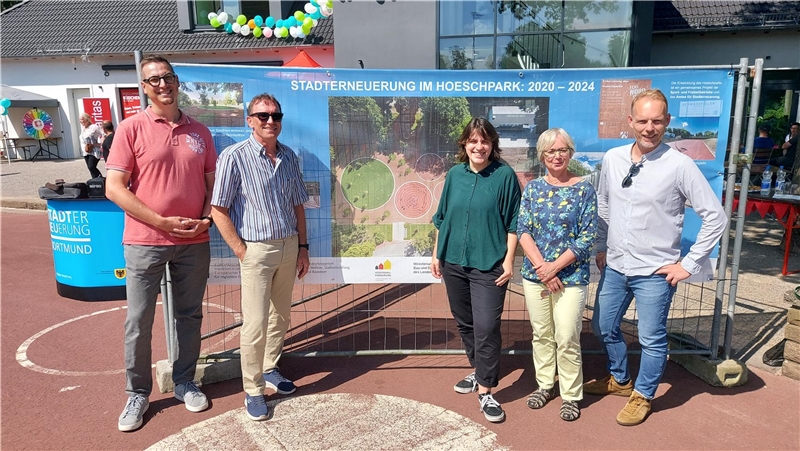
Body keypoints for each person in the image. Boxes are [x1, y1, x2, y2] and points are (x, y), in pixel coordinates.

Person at [586, 89, 726, 426]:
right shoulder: (614, 158)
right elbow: (604, 204)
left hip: (655, 272)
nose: (650, 128)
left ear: (667, 122)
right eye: (643, 120)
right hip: (616, 266)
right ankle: (620, 380)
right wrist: (602, 246)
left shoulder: (680, 165)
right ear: (630, 121)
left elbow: (716, 217)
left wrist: (688, 265)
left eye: (657, 121)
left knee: (651, 338)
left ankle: (644, 394)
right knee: (602, 326)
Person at [105, 55, 217, 432]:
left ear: (177, 80)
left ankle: (185, 381)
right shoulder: (130, 128)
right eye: (153, 80)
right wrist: (160, 221)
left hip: (194, 240)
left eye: (167, 77)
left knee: (189, 316)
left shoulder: (200, 131)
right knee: (138, 320)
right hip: (145, 240)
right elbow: (114, 188)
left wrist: (204, 218)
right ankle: (137, 393)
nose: (162, 84)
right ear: (144, 87)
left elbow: (210, 183)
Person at [210, 93, 309, 422]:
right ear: (249, 120)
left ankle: (269, 368)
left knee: (280, 316)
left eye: (276, 116)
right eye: (263, 116)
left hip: (289, 246)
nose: (271, 121)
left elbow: (298, 205)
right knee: (253, 323)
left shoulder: (289, 156)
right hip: (256, 250)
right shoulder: (233, 157)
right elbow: (218, 210)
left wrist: (303, 247)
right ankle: (253, 389)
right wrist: (241, 250)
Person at [431, 117, 521, 423]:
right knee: (465, 323)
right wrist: (436, 255)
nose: (478, 146)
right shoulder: (455, 174)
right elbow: (442, 218)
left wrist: (508, 262)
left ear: (492, 144)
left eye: (484, 141)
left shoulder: (505, 176)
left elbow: (513, 223)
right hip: (453, 261)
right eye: (473, 141)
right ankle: (479, 370)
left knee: (486, 326)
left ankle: (486, 391)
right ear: (464, 145)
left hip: (489, 264)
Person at [517, 128, 597, 422]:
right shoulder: (534, 189)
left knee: (566, 335)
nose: (557, 156)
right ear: (542, 156)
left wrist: (555, 268)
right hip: (535, 275)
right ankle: (545, 385)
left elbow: (587, 237)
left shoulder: (584, 190)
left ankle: (571, 394)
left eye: (562, 150)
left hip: (572, 277)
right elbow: (523, 230)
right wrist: (543, 269)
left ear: (570, 153)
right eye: (550, 151)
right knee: (542, 334)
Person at [79, 113, 103, 178]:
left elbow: (103, 134)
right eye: (80, 119)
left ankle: (101, 180)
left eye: (82, 119)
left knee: (91, 166)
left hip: (94, 150)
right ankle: (95, 183)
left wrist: (99, 143)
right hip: (86, 151)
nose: (80, 121)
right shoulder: (83, 128)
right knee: (90, 169)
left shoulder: (94, 127)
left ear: (87, 119)